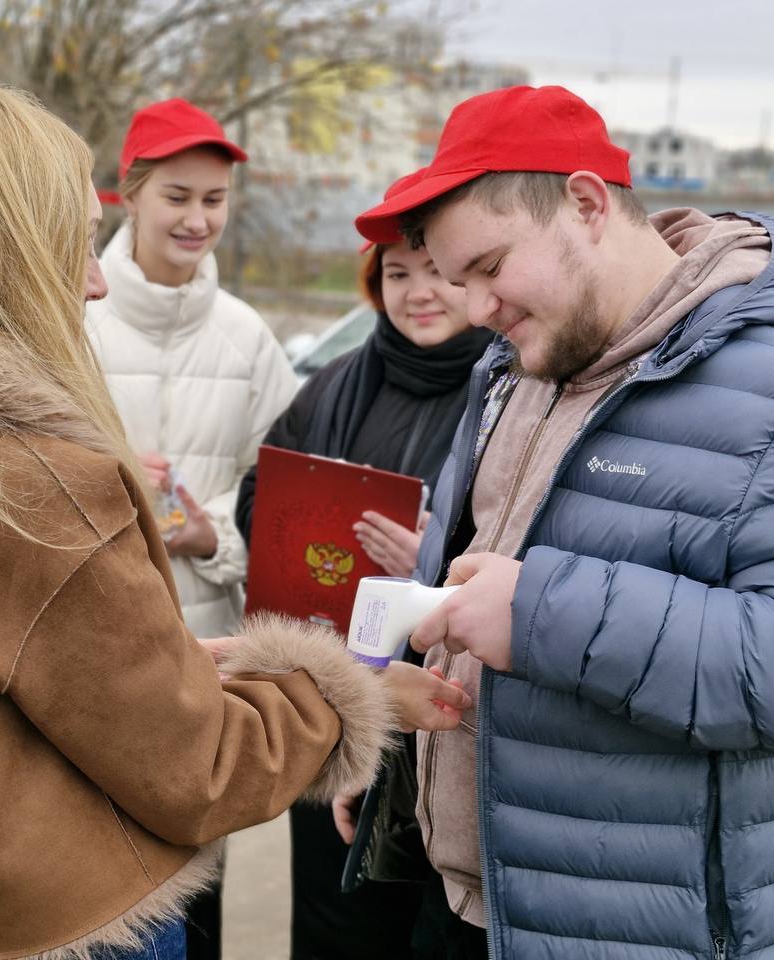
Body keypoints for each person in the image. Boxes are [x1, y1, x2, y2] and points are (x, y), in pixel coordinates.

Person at [0, 72, 395, 960]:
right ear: (4, 251)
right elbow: (196, 771)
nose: (94, 283)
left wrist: (149, 661)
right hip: (80, 929)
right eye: (74, 245)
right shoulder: (25, 476)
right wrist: (349, 695)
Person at [349, 83, 774, 960]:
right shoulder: (518, 365)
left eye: (489, 268)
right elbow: (468, 593)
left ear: (586, 204)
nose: (476, 311)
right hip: (471, 906)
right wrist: (397, 770)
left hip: (651, 933)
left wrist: (544, 613)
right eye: (456, 281)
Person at [235, 171, 492, 960]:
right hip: (331, 691)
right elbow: (259, 494)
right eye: (395, 273)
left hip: (441, 716)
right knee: (330, 924)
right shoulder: (335, 384)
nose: (417, 293)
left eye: (434, 271)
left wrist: (432, 557)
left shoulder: (512, 389)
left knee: (425, 930)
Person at [85, 96, 300, 956]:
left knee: (197, 906)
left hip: (206, 673)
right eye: (177, 195)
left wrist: (214, 537)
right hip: (87, 665)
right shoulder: (69, 321)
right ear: (127, 195)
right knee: (98, 897)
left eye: (214, 200)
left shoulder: (249, 339)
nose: (198, 218)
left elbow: (278, 503)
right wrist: (111, 487)